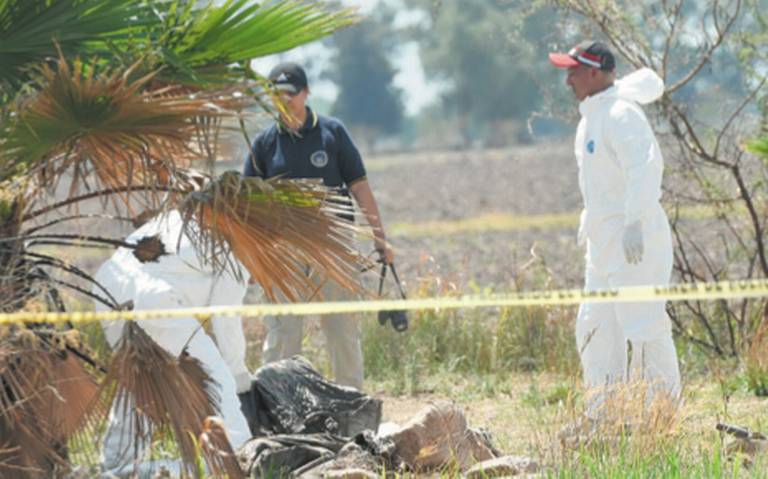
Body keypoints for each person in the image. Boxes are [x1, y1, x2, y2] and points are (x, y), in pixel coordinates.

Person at [242, 62, 393, 391]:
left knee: (341, 327)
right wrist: (252, 256)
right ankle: (275, 402)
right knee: (283, 331)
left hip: (334, 245)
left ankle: (352, 401)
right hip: (283, 251)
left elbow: (361, 188)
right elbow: (247, 205)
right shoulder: (264, 144)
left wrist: (380, 238)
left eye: (291, 95)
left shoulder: (332, 133)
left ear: (306, 93)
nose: (286, 101)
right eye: (278, 96)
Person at [548, 41, 681, 415]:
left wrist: (634, 221)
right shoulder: (590, 118)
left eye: (572, 70)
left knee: (644, 328)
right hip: (603, 248)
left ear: (593, 72)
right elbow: (601, 185)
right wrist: (590, 221)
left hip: (634, 244)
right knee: (594, 327)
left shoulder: (622, 114)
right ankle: (603, 417)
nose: (567, 79)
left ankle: (661, 417)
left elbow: (646, 168)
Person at [94, 210, 252, 478]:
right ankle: (238, 457)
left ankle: (116, 464)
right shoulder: (237, 247)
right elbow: (226, 321)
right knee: (217, 375)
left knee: (139, 379)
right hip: (155, 299)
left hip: (105, 286)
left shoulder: (184, 219)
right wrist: (240, 380)